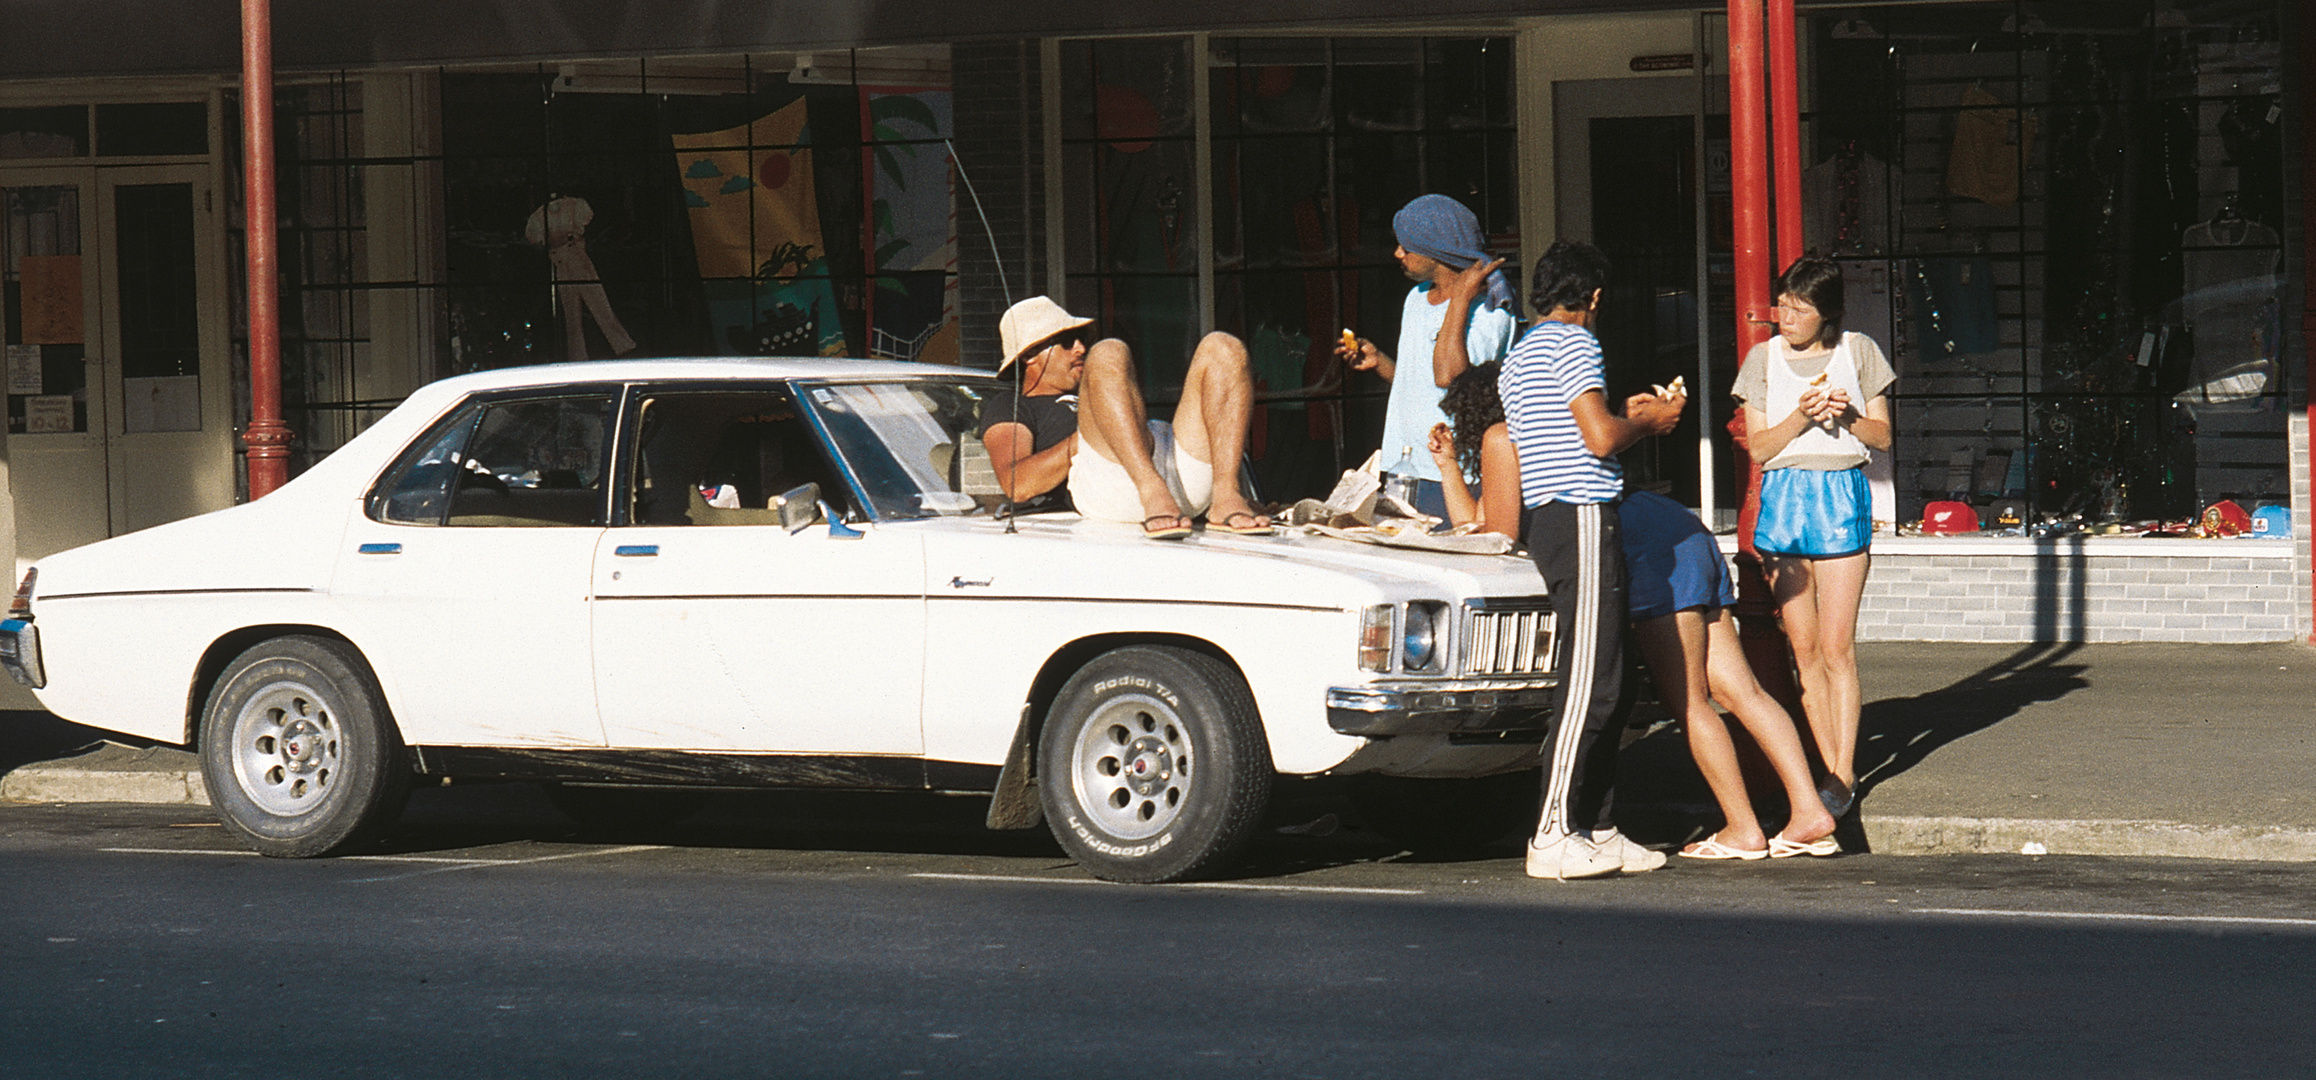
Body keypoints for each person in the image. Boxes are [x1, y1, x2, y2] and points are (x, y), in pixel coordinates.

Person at [1433, 367, 1837, 860]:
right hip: (1674, 527)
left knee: (1689, 701)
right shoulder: (1564, 421)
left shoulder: (1503, 436)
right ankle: (1809, 809)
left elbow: (1496, 531)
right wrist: (1450, 467)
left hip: (1645, 551)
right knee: (1741, 689)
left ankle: (1742, 828)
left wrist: (1450, 489)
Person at [1498, 240, 1684, 880]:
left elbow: (1570, 429)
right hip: (1578, 513)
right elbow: (1599, 438)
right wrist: (1652, 423)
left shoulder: (1519, 354)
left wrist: (1624, 416)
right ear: (1594, 297)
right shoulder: (1575, 345)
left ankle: (1597, 827)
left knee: (1612, 675)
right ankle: (1552, 831)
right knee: (1590, 682)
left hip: (1549, 517)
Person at [1734, 257, 1895, 819]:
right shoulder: (1763, 358)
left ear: (1826, 312)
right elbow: (1758, 448)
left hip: (1840, 492)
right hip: (1785, 496)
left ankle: (1844, 770)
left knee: (1836, 647)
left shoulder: (1858, 350)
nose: (1787, 315)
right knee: (1802, 648)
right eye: (1784, 303)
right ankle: (1829, 774)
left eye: (1801, 307)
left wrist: (1846, 415)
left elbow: (1883, 436)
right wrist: (1801, 418)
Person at [978, 296, 1272, 538]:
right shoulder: (1012, 405)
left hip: (1171, 468)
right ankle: (1151, 489)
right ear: (1030, 355)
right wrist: (1082, 438)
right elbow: (1017, 484)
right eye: (1067, 340)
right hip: (1120, 486)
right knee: (1108, 350)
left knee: (1223, 347)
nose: (1080, 347)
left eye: (1080, 338)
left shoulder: (1097, 388)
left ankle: (1226, 493)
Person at [1339, 194, 1518, 521]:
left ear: (1436, 251)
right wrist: (1381, 362)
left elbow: (1450, 378)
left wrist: (1461, 299)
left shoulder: (1492, 313)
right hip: (1401, 470)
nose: (1398, 254)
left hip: (1450, 475)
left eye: (1406, 247)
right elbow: (1424, 386)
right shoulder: (1416, 299)